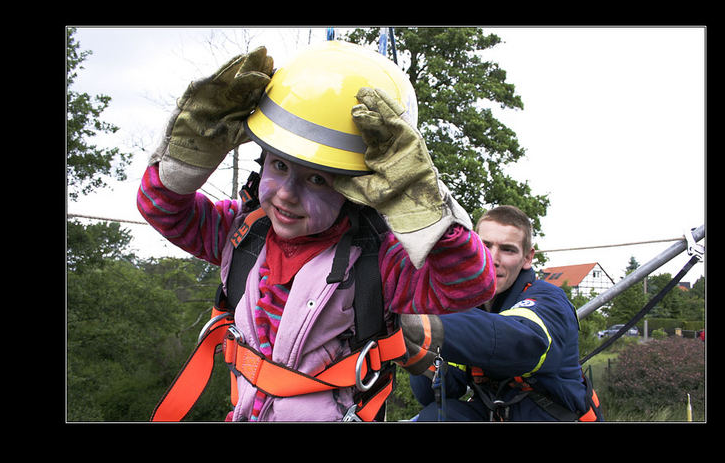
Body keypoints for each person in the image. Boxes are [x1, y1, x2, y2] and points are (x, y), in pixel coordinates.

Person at [137, 41, 496, 422]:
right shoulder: (243, 233)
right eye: (278, 166)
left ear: (358, 190)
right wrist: (185, 158)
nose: (287, 194)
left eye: (318, 179)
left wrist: (422, 207)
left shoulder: (379, 261)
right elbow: (162, 208)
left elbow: (471, 282)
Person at [401, 205, 603, 421]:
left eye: (508, 249)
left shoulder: (550, 300)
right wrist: (413, 352)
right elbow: (440, 393)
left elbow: (521, 341)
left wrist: (425, 324)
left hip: (551, 417)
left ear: (527, 258)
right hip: (496, 413)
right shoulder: (465, 307)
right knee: (436, 417)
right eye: (484, 245)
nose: (492, 258)